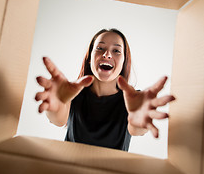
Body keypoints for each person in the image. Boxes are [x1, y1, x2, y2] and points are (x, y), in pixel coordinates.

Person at [35, 28, 175, 151]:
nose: (107, 54)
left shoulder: (133, 99)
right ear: (90, 58)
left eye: (116, 51)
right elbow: (58, 120)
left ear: (124, 62)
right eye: (100, 48)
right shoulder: (72, 92)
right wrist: (56, 104)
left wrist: (141, 120)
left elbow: (136, 129)